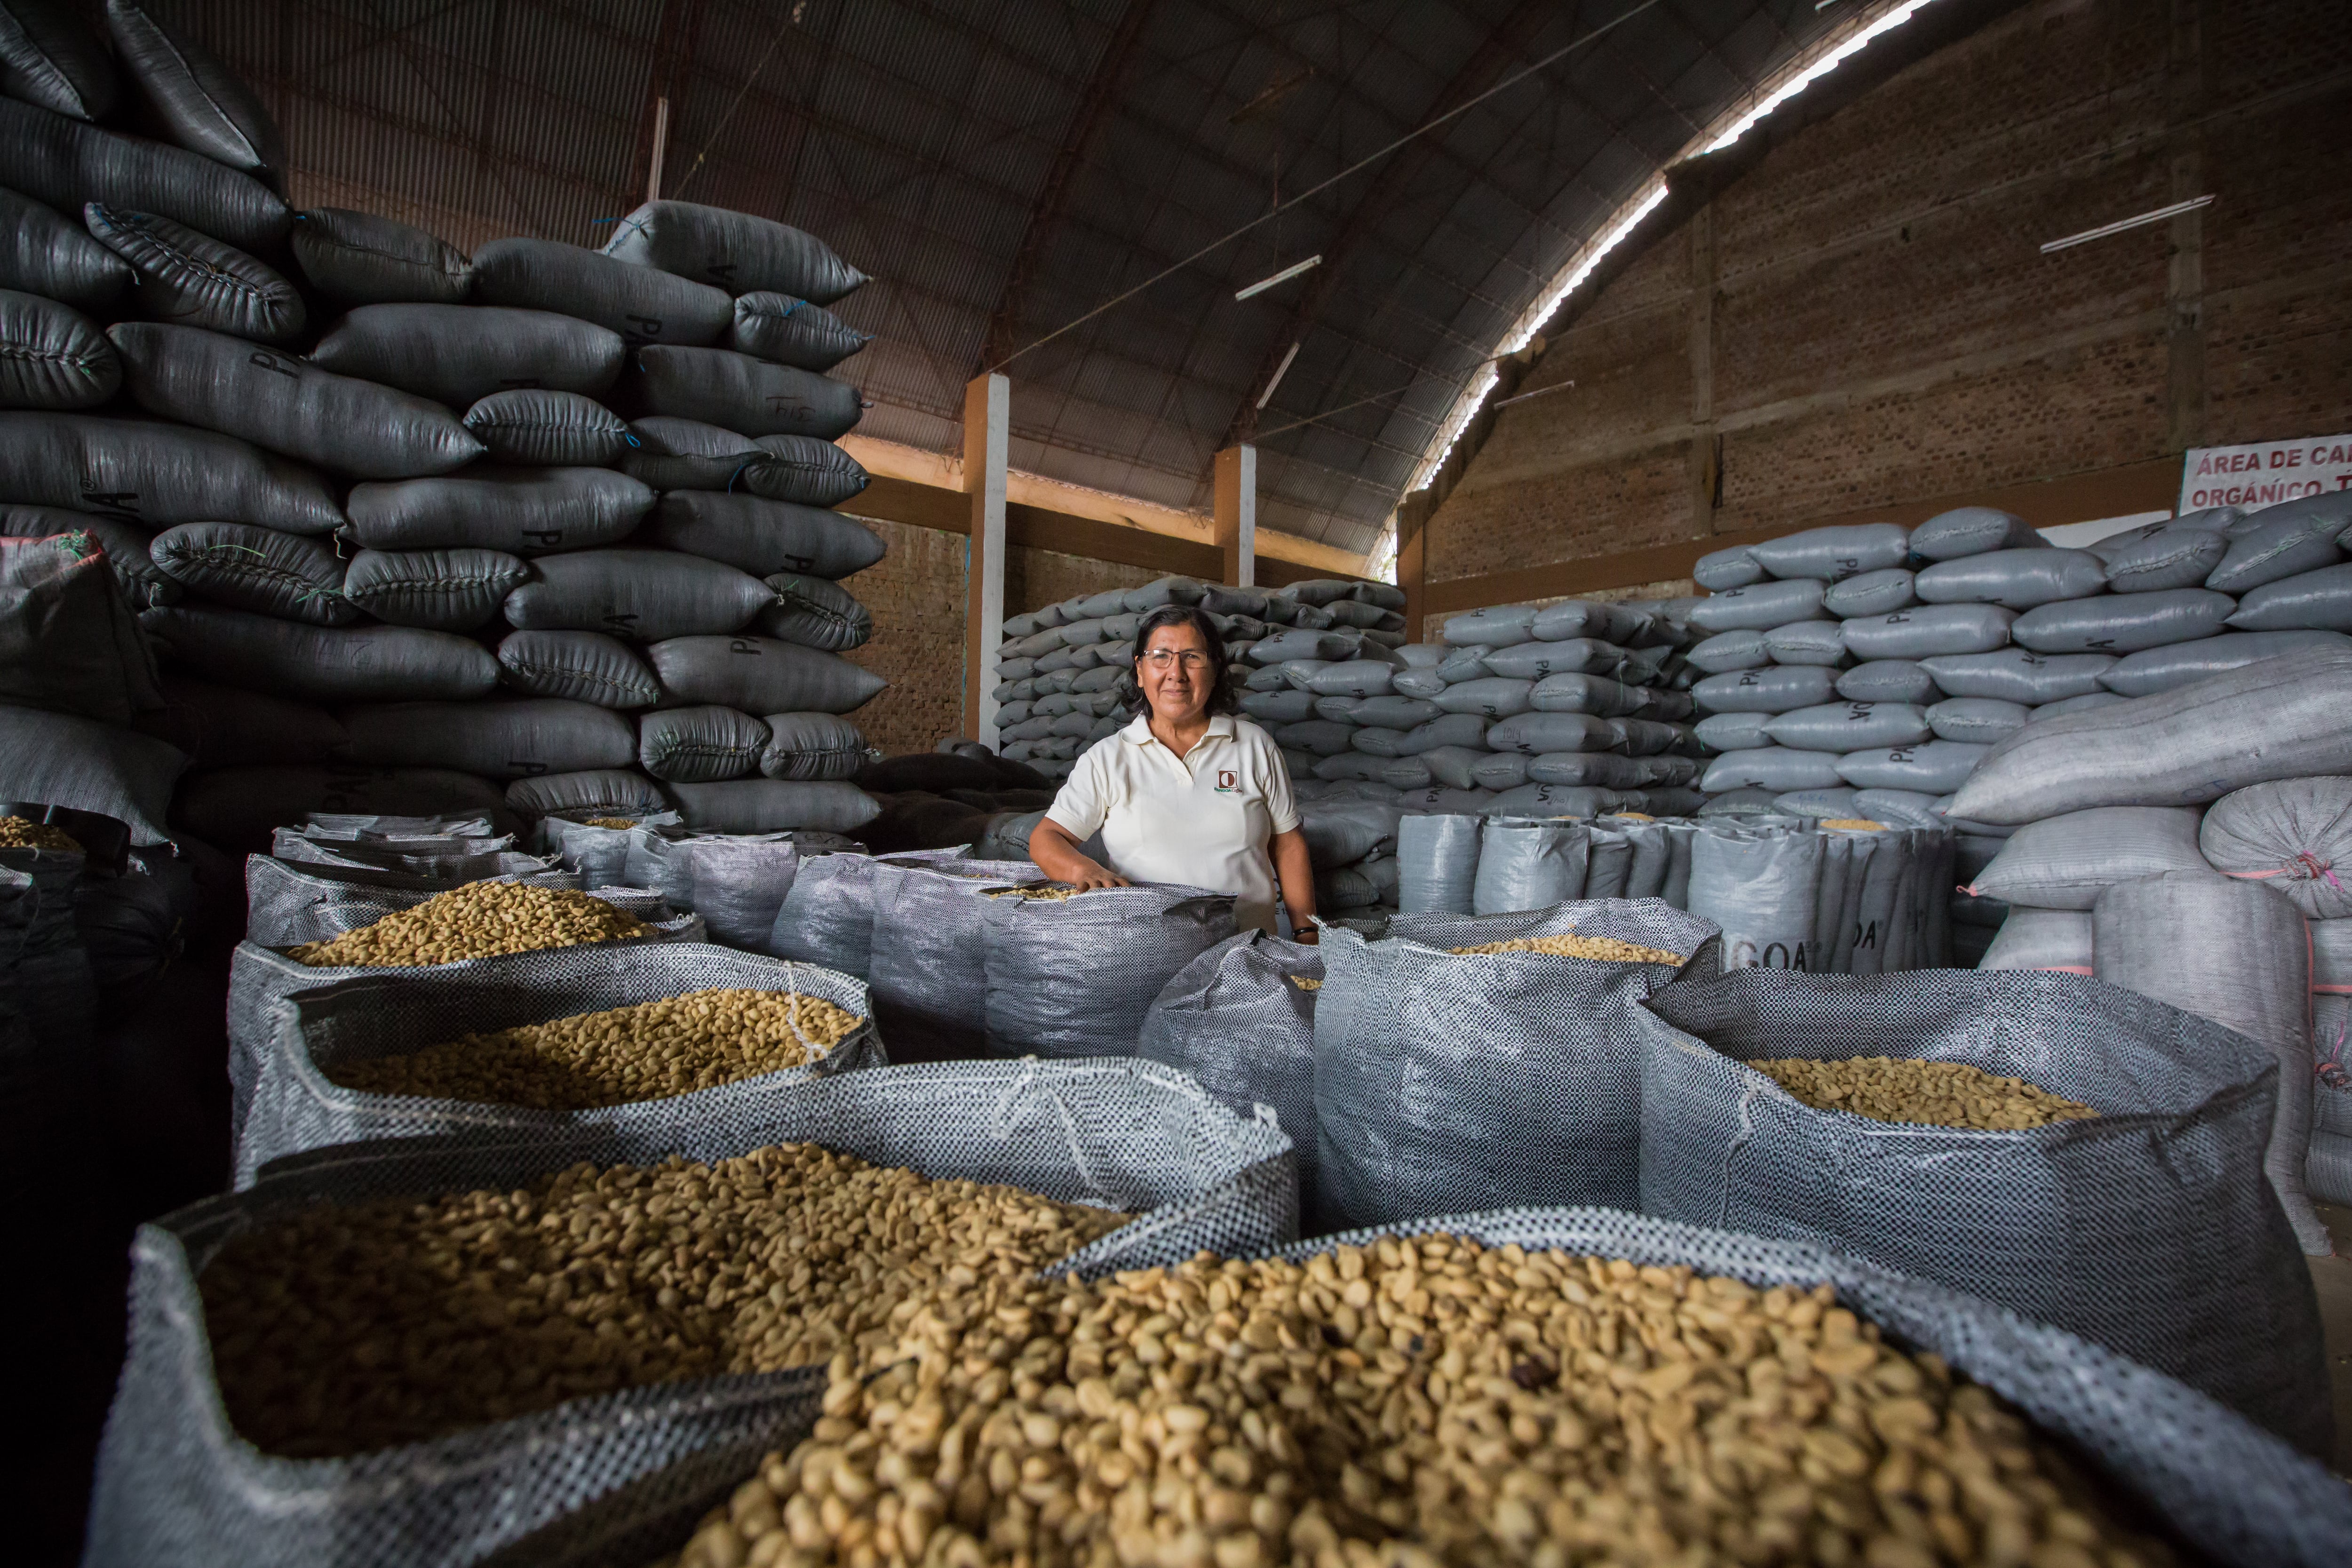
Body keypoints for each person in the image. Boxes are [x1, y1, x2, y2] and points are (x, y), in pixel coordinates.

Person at [1028, 604, 1319, 939]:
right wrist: (1085, 868)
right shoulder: (1107, 759)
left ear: (1214, 669)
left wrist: (1307, 932)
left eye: (1192, 657)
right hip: (1148, 958)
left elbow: (1287, 844)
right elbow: (1045, 838)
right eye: (1160, 656)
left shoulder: (1254, 746)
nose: (1176, 672)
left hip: (1247, 956)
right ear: (1140, 671)